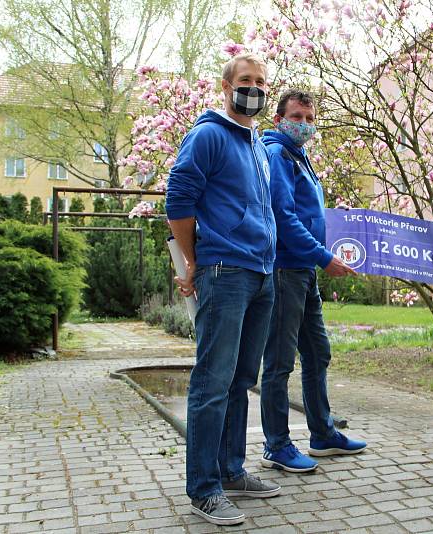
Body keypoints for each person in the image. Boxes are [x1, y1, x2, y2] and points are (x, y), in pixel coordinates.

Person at [165, 53, 280, 526]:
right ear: (226, 86)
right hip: (224, 272)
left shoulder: (254, 141)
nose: (253, 88)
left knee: (239, 380)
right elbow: (178, 199)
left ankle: (231, 470)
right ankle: (204, 488)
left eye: (260, 82)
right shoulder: (209, 134)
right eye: (245, 81)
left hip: (261, 274)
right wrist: (193, 261)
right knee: (212, 382)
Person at [259, 89, 367, 473]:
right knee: (278, 362)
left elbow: (308, 215)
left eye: (309, 118)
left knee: (318, 352)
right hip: (286, 269)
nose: (304, 124)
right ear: (279, 119)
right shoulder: (276, 153)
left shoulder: (299, 156)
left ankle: (322, 434)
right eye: (296, 117)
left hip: (303, 271)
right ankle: (276, 445)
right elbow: (283, 218)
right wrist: (325, 257)